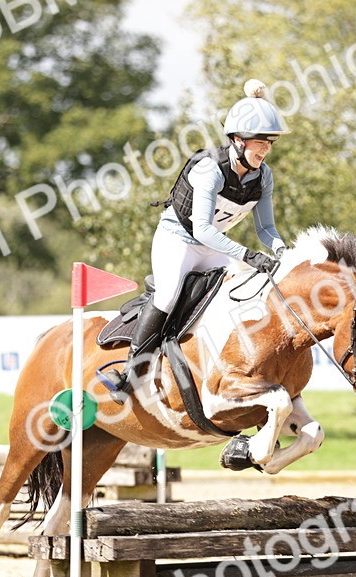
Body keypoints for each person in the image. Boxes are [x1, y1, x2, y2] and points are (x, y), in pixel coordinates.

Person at [107, 79, 290, 399]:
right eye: (260, 141)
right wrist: (250, 256)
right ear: (237, 139)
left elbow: (265, 229)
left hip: (212, 246)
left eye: (270, 142)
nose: (266, 149)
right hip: (177, 239)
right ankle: (131, 372)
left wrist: (280, 250)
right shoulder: (211, 170)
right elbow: (202, 228)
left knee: (243, 293)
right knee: (167, 294)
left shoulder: (264, 176)